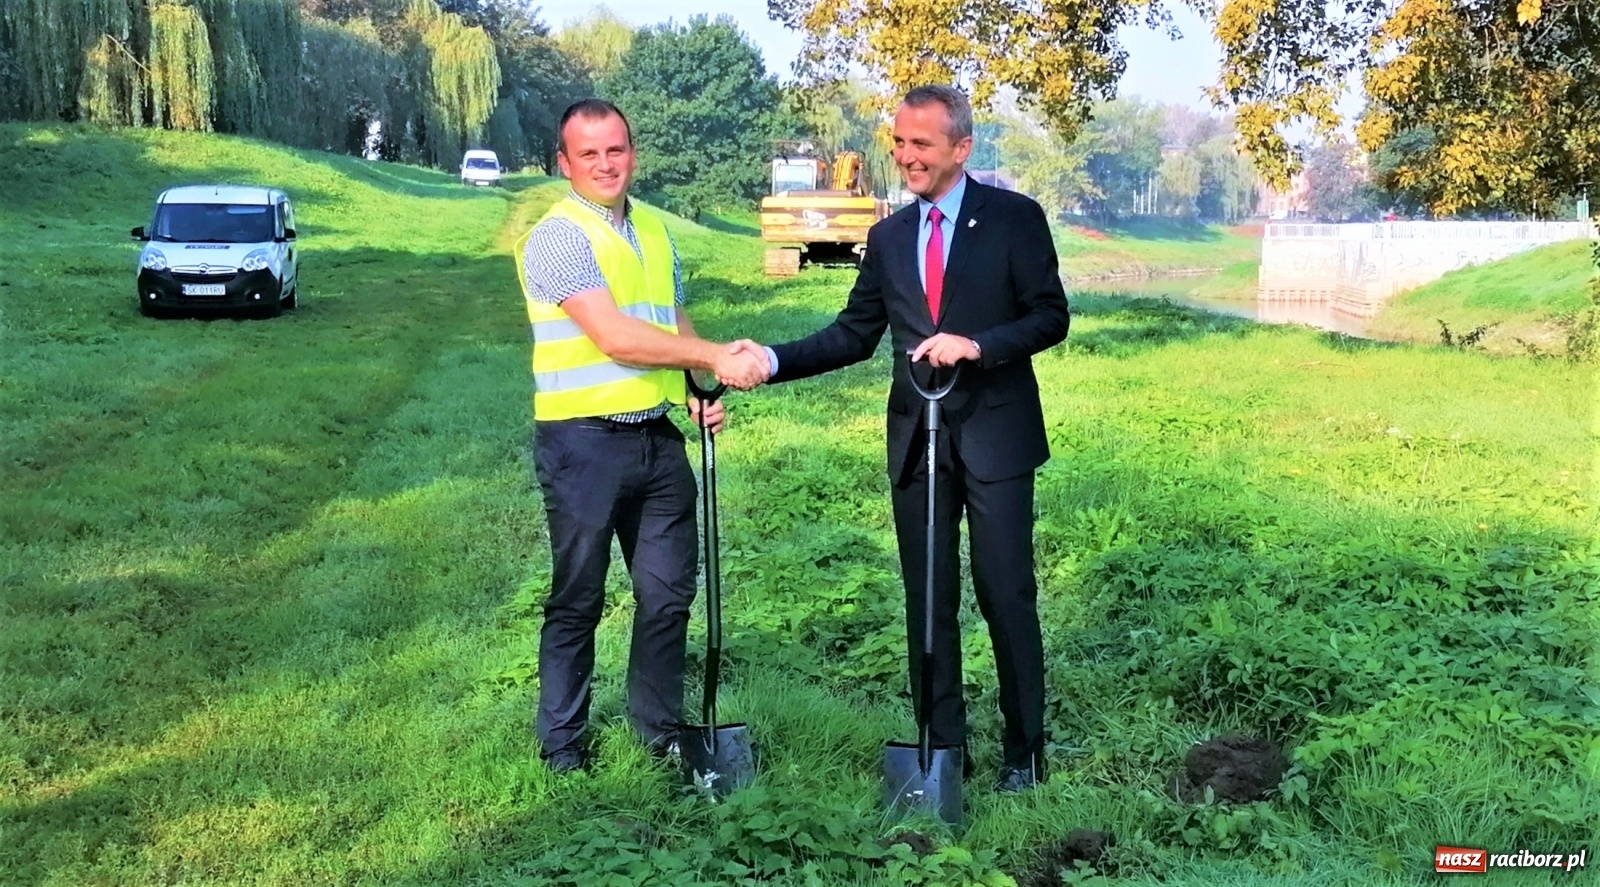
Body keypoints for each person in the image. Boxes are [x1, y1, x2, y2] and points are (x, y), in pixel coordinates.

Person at [735, 85, 1070, 792]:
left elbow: (1049, 317)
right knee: (927, 595)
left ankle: (1024, 753)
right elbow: (854, 335)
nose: (906, 156)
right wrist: (771, 359)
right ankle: (940, 752)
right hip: (918, 444)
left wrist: (976, 344)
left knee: (1005, 592)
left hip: (998, 436)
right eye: (899, 142)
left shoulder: (1014, 219)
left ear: (961, 147)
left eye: (921, 143)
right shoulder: (887, 237)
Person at [517, 98, 767, 773]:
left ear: (633, 152)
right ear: (564, 163)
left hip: (657, 443)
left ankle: (658, 734)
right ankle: (563, 745)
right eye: (589, 153)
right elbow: (615, 335)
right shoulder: (559, 236)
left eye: (616, 149)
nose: (606, 163)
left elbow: (670, 321)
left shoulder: (655, 231)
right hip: (582, 445)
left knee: (666, 596)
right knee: (579, 597)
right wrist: (718, 356)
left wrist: (694, 385)